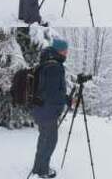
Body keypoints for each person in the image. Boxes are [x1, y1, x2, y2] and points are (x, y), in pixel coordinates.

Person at [31, 38, 71, 178]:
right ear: (59, 51)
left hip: (41, 110)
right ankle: (42, 170)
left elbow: (49, 90)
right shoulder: (55, 67)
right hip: (47, 111)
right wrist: (65, 99)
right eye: (65, 51)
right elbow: (52, 94)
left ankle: (39, 167)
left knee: (44, 139)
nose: (67, 53)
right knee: (49, 141)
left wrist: (64, 97)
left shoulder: (47, 63)